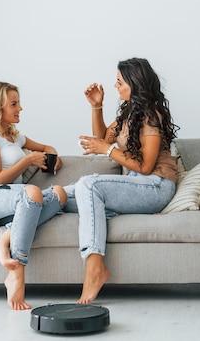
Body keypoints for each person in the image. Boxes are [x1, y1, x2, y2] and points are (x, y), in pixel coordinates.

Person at [71, 57, 179, 304]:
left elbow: (145, 166)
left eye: (119, 82)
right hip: (135, 186)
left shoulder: (151, 115)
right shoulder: (129, 112)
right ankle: (11, 231)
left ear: (135, 83)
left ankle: (95, 267)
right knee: (61, 194)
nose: (115, 86)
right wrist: (97, 107)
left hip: (155, 186)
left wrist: (106, 150)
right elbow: (103, 138)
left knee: (88, 185)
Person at [0, 81, 66, 310]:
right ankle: (17, 273)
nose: (20, 108)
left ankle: (1, 242)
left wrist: (53, 156)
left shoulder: (14, 137)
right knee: (32, 193)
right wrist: (28, 160)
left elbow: (47, 147)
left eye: (18, 103)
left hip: (12, 200)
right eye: (14, 104)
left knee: (59, 194)